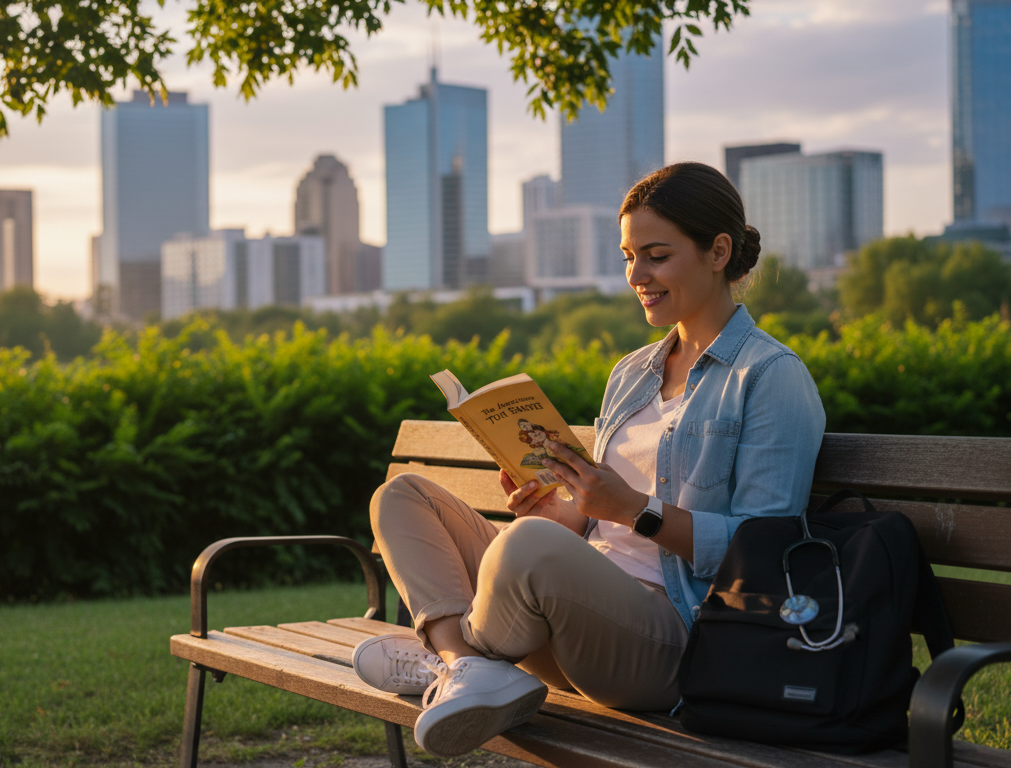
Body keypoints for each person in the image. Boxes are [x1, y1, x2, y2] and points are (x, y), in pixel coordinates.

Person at [350, 162, 827, 758]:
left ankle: (448, 661)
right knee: (403, 496)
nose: (636, 275)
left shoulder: (769, 377)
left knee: (528, 546)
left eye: (656, 256)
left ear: (718, 252)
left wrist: (634, 511)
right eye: (628, 257)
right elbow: (593, 521)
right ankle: (462, 663)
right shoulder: (632, 374)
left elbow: (767, 550)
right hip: (572, 615)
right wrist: (558, 511)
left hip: (674, 640)